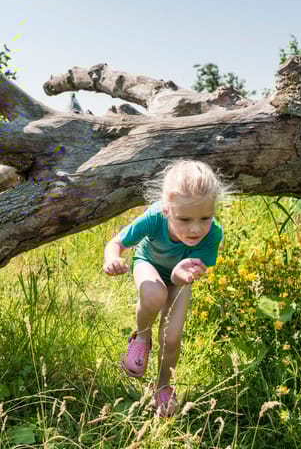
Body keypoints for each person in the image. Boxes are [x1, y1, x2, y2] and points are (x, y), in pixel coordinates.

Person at [102, 160, 230, 417]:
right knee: (154, 294)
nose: (195, 228)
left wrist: (179, 275)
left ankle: (163, 385)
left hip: (181, 278)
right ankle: (141, 336)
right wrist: (112, 259)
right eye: (184, 219)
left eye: (205, 217)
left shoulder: (212, 235)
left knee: (172, 337)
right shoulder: (154, 218)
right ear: (166, 209)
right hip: (149, 263)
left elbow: (183, 277)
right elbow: (115, 243)